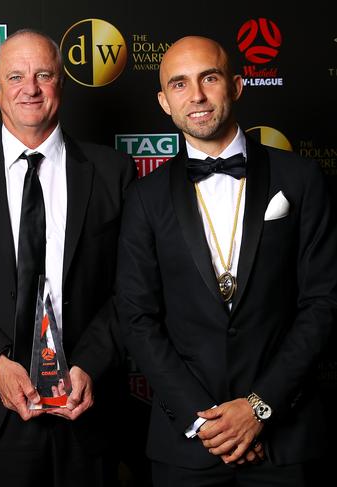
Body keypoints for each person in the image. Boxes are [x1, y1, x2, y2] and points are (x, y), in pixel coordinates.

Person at [116, 35, 337, 486]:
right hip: (187, 445)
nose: (195, 96)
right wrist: (210, 424)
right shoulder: (143, 197)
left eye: (209, 78)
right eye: (179, 84)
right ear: (164, 102)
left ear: (236, 85)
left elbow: (323, 303)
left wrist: (259, 408)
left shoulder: (301, 178)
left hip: (285, 441)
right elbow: (136, 318)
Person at [0, 29, 136, 487]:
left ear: (62, 82)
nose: (30, 88)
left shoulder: (113, 172)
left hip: (86, 410)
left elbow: (132, 290)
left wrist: (91, 365)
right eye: (15, 76)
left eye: (44, 75)